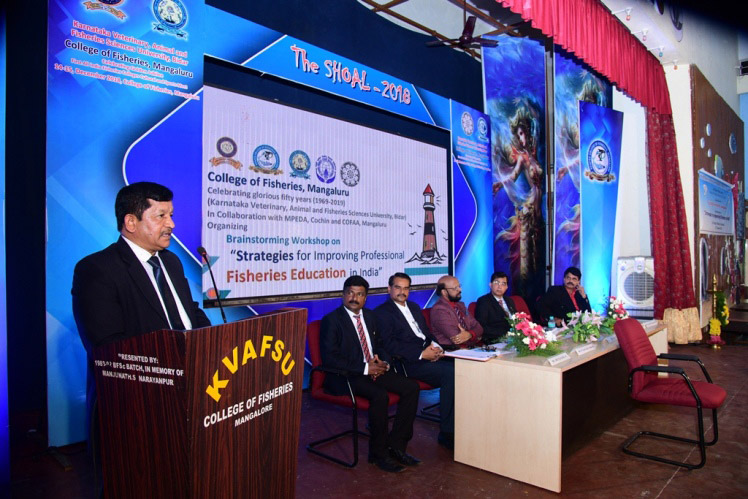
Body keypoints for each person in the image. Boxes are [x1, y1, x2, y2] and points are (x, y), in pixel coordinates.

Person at [71, 181, 211, 490]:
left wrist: (213, 344)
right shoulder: (97, 269)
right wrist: (171, 367)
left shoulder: (171, 262)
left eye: (171, 215)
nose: (171, 224)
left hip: (193, 390)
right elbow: (107, 346)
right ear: (131, 222)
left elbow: (188, 312)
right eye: (161, 216)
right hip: (136, 408)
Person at [320, 276, 420, 473]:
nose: (354, 298)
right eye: (350, 293)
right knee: (379, 395)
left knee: (411, 388)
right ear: (343, 295)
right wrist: (366, 368)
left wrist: (384, 363)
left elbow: (381, 345)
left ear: (365, 298)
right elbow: (330, 358)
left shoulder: (371, 316)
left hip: (372, 369)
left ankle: (397, 446)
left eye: (359, 294)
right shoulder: (331, 320)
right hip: (346, 375)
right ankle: (378, 454)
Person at [375, 272, 456, 450]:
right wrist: (421, 354)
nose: (402, 292)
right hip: (408, 362)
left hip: (427, 353)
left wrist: (437, 347)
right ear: (389, 289)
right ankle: (447, 432)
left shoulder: (414, 306)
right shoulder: (382, 313)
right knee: (451, 374)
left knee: (463, 367)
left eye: (406, 288)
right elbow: (389, 344)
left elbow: (426, 334)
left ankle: (462, 422)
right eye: (398, 287)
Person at [430, 275, 483, 349]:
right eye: (455, 288)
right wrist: (476, 337)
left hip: (468, 348)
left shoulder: (460, 305)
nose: (460, 290)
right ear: (444, 292)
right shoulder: (439, 310)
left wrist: (470, 334)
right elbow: (457, 338)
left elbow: (479, 327)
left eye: (459, 286)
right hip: (451, 350)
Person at [474, 271, 516, 344]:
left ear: (506, 287)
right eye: (496, 283)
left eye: (503, 284)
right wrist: (506, 334)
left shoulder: (509, 300)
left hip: (514, 338)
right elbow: (481, 326)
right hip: (496, 339)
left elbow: (516, 319)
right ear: (490, 285)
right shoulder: (484, 301)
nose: (500, 287)